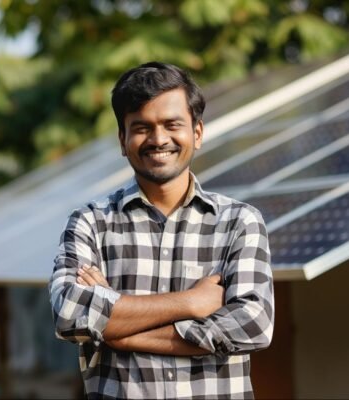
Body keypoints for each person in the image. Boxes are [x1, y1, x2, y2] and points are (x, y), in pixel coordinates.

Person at [49, 62, 274, 399]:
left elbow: (252, 325)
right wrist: (191, 302)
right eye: (141, 127)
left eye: (172, 125)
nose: (158, 139)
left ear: (197, 133)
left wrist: (117, 330)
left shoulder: (239, 222)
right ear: (123, 140)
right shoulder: (91, 222)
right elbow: (69, 314)